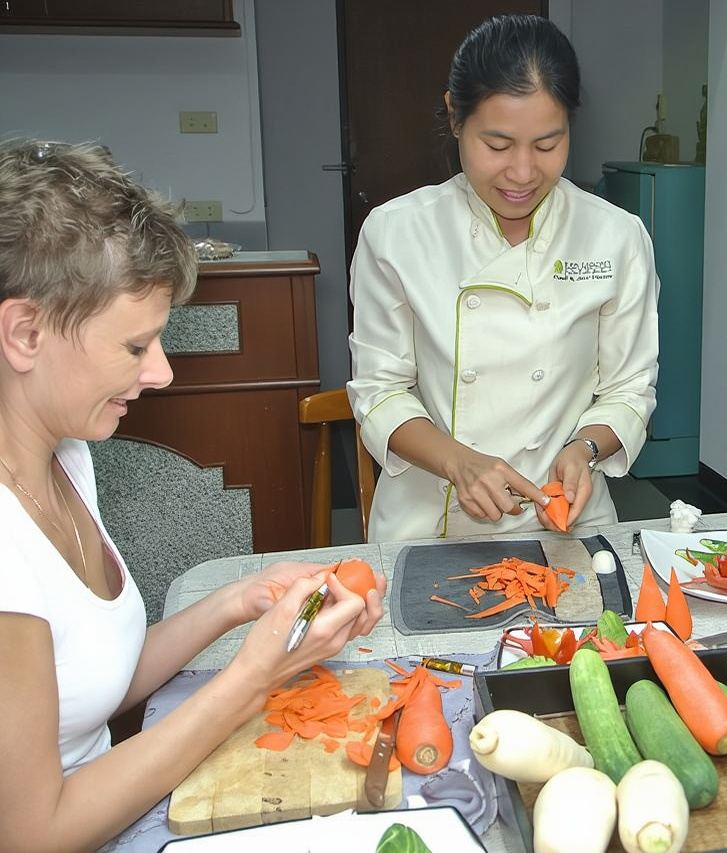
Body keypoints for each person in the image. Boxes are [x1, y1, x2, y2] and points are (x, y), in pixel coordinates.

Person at [0, 140, 385, 851]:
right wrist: (252, 676)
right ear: (25, 332)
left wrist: (240, 598)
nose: (163, 372)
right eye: (135, 346)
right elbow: (33, 831)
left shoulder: (66, 455)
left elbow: (92, 682)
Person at [347, 14, 660, 542]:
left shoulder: (616, 236)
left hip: (568, 523)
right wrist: (459, 462)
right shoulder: (396, 233)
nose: (522, 173)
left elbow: (628, 390)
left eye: (546, 145)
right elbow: (380, 393)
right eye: (497, 145)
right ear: (454, 117)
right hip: (429, 527)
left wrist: (584, 450)